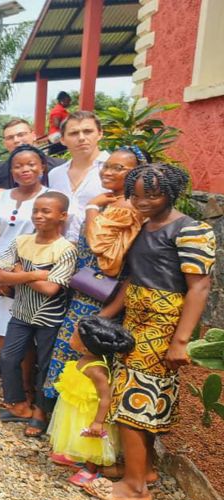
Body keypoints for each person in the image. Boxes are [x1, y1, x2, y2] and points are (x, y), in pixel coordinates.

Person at [84, 164, 216, 500]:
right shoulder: (142, 225)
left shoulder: (191, 230)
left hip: (162, 324)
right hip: (136, 321)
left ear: (171, 193)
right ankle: (143, 470)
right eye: (137, 196)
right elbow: (134, 278)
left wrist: (180, 341)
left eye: (153, 196)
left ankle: (134, 489)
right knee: (134, 396)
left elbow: (199, 286)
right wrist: (105, 316)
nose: (143, 202)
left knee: (135, 399)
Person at [43, 146, 149, 399]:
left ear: (137, 173)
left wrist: (91, 207)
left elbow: (99, 247)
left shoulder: (127, 207)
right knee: (74, 354)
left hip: (99, 297)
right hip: (86, 291)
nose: (107, 172)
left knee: (78, 354)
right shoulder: (111, 200)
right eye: (106, 166)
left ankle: (70, 413)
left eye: (118, 168)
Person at [0, 192, 77, 438]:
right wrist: (35, 274)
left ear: (62, 216)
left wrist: (18, 271)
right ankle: (18, 404)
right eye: (36, 210)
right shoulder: (21, 241)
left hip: (50, 319)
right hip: (21, 313)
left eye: (46, 211)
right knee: (8, 358)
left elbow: (50, 290)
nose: (39, 215)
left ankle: (41, 412)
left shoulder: (66, 249)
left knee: (46, 365)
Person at [0, 145, 50, 347]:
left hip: (32, 271)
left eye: (31, 164)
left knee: (25, 328)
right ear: (11, 171)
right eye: (18, 166)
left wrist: (17, 273)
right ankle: (6, 365)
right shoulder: (2, 197)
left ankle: (23, 369)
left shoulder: (51, 198)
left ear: (42, 167)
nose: (25, 169)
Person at [48, 315, 132, 487]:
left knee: (91, 442)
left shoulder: (97, 370)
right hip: (78, 408)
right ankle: (77, 457)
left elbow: (105, 397)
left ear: (85, 348)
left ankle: (91, 469)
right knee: (75, 433)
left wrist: (98, 422)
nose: (70, 337)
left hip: (90, 413)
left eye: (73, 336)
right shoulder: (87, 359)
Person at [48, 111, 110, 242]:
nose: (81, 138)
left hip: (101, 248)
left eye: (88, 131)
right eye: (74, 133)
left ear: (100, 134)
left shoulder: (115, 169)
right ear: (62, 139)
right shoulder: (55, 175)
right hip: (59, 250)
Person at [0, 118, 65, 189]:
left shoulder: (60, 167)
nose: (16, 140)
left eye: (21, 135)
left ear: (33, 136)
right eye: (10, 137)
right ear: (5, 143)